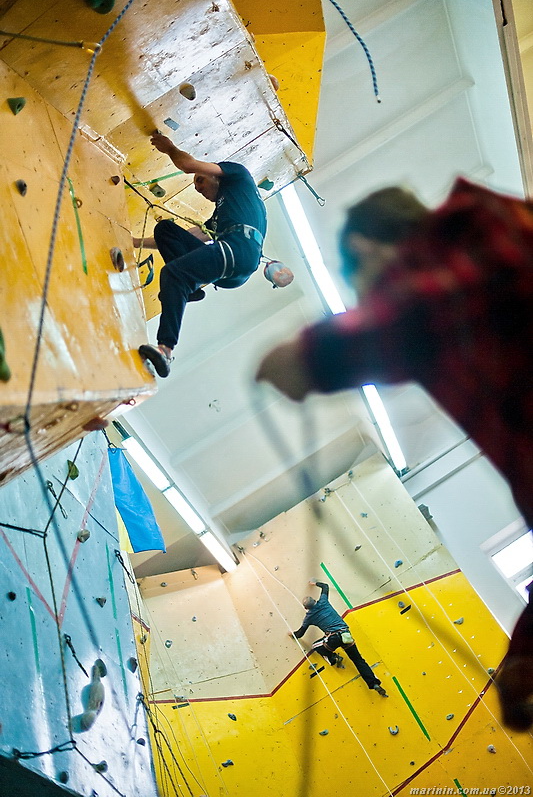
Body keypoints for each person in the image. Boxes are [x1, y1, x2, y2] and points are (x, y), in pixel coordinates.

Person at [257, 178, 533, 731]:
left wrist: (315, 356)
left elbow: (423, 308)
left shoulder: (486, 235)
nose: (368, 303)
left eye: (362, 289)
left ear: (367, 250)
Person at [137, 132, 267, 377]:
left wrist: (169, 148)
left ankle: (165, 348)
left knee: (172, 274)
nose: (198, 189)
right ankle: (190, 288)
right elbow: (187, 237)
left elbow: (187, 164)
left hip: (239, 251)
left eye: (200, 181)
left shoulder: (237, 176)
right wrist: (133, 242)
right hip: (232, 264)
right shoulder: (221, 215)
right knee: (166, 229)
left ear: (215, 175)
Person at [289, 579, 388, 695]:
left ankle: (333, 658)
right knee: (358, 660)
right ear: (315, 601)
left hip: (334, 638)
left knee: (315, 645)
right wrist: (314, 583)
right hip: (346, 635)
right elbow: (325, 587)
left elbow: (300, 634)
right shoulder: (323, 602)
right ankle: (374, 683)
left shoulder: (309, 617)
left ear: (306, 608)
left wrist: (291, 634)